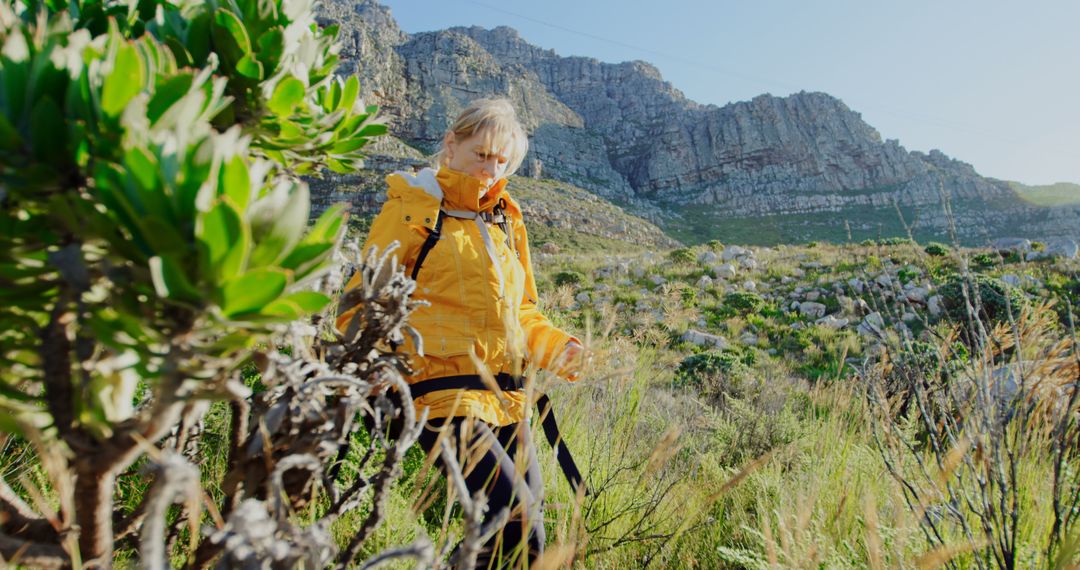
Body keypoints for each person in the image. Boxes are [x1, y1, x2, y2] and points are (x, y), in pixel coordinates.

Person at [336, 98, 584, 567]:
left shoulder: (505, 220)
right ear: (452, 145)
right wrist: (380, 371)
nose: (491, 169)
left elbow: (523, 311)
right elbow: (360, 303)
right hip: (440, 396)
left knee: (519, 545)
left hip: (509, 399)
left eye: (502, 160)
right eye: (482, 154)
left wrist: (559, 347)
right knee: (518, 523)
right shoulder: (413, 209)